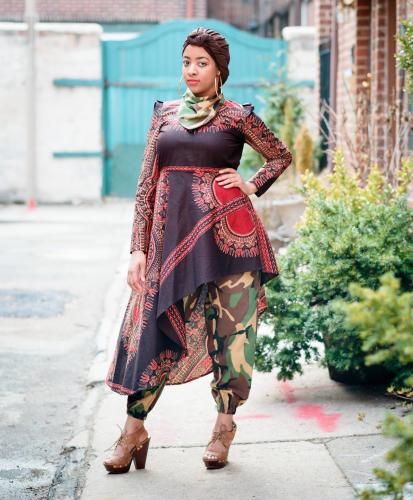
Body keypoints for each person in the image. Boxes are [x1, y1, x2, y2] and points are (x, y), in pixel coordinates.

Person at [103, 26, 293, 474]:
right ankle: (134, 431)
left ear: (219, 69)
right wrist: (137, 249)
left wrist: (250, 184)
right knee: (149, 330)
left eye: (201, 62)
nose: (192, 70)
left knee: (233, 337)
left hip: (232, 243)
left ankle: (223, 427)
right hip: (170, 245)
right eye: (187, 61)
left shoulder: (236, 116)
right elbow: (147, 185)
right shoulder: (164, 115)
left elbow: (279, 155)